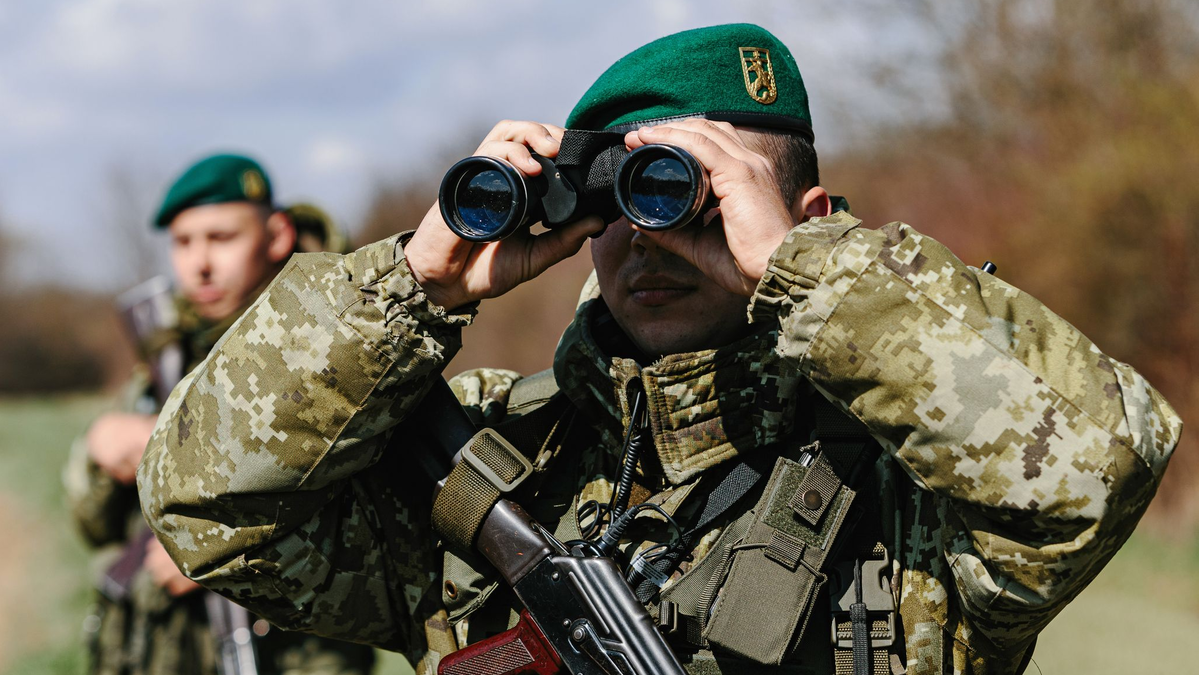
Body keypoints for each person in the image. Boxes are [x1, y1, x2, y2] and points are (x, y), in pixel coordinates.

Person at [138, 26, 1181, 675]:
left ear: (806, 216)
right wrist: (412, 289)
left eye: (687, 195)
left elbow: (1096, 465)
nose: (651, 237)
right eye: (621, 201)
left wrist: (801, 270)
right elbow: (201, 500)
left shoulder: (916, 490)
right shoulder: (489, 457)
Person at [65, 153, 375, 675]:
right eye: (184, 243)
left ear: (276, 235)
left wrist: (218, 555)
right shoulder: (168, 354)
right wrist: (102, 453)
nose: (200, 263)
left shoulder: (332, 339)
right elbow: (94, 526)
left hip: (293, 655)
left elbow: (372, 520)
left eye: (221, 238)